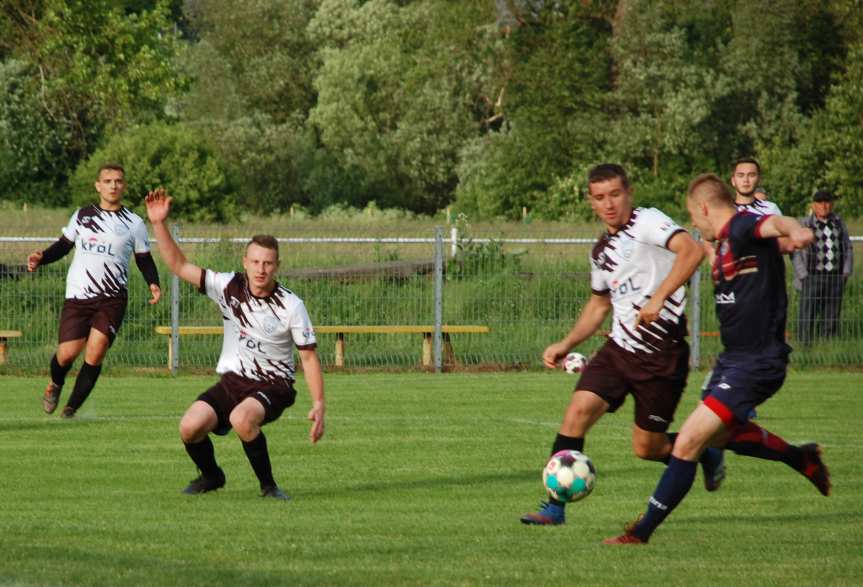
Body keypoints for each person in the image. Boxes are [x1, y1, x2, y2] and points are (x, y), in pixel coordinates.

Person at [603, 173, 831, 545]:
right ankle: (799, 457)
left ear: (705, 208)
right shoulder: (725, 243)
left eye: (693, 215)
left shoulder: (741, 227)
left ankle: (640, 533)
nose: (693, 222)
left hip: (757, 362)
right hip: (732, 361)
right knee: (718, 437)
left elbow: (774, 223)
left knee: (688, 442)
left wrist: (798, 231)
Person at [520, 163, 724, 526]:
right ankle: (555, 508)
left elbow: (691, 251)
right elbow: (599, 305)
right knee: (577, 412)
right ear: (591, 202)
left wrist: (660, 297)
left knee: (647, 448)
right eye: (600, 197)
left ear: (629, 192)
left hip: (662, 355)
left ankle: (703, 452)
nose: (609, 203)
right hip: (618, 350)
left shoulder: (647, 221)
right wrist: (565, 343)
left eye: (615, 194)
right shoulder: (601, 251)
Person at [145, 188, 325, 499]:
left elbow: (308, 358)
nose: (260, 269)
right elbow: (179, 266)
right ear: (245, 261)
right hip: (235, 381)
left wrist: (319, 404)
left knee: (241, 419)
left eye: (268, 263)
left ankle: (269, 487)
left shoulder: (291, 305)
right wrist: (159, 223)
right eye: (255, 261)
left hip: (274, 385)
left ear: (277, 266)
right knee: (189, 427)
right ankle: (212, 476)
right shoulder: (229, 286)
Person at [27, 163, 161, 418]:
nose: (113, 185)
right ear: (98, 185)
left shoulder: (134, 223)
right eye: (108, 181)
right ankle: (55, 384)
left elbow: (144, 258)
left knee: (97, 349)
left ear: (124, 186)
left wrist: (153, 283)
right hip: (78, 296)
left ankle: (70, 410)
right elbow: (64, 246)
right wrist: (41, 257)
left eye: (118, 181)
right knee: (67, 354)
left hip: (112, 298)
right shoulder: (83, 216)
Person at [792, 190, 853, 345]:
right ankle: (804, 347)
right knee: (807, 314)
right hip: (811, 276)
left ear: (832, 204)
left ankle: (828, 346)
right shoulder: (804, 223)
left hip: (835, 276)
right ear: (813, 205)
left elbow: (847, 247)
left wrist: (846, 271)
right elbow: (795, 251)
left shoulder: (838, 223)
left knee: (831, 315)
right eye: (820, 202)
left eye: (827, 202)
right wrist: (803, 275)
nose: (824, 205)